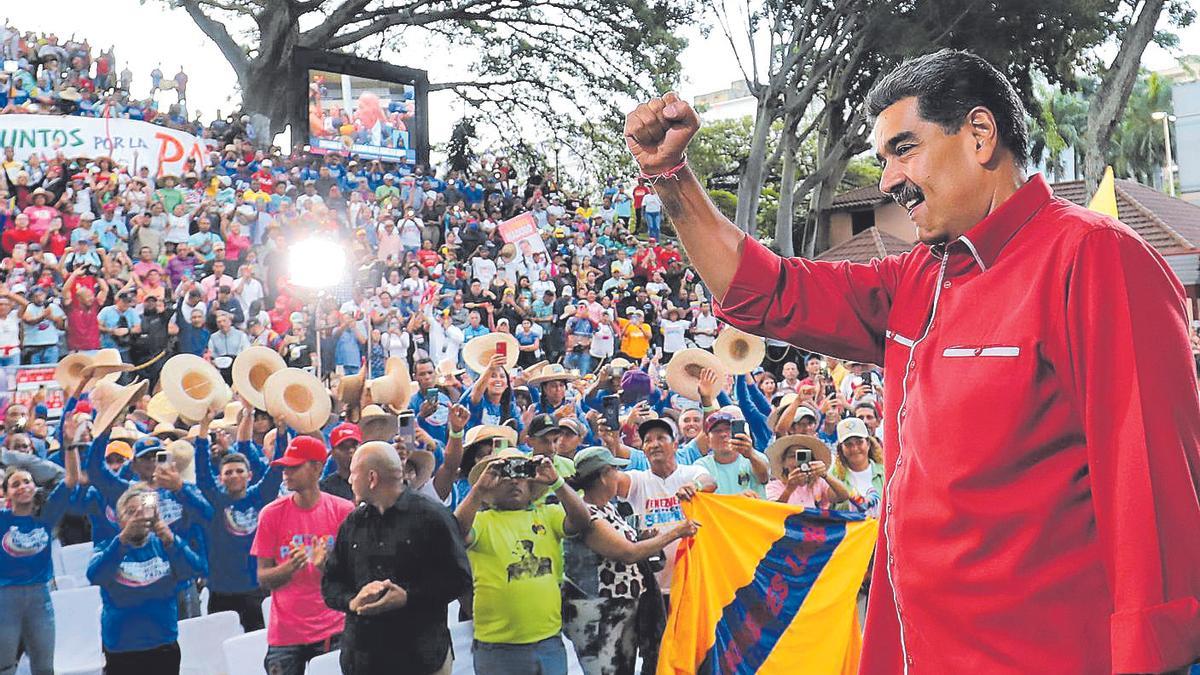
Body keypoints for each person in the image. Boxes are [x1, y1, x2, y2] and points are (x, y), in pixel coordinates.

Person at [624, 50, 1200, 672]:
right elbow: (766, 292)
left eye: (905, 149)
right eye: (883, 159)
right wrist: (672, 177)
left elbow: (1151, 490)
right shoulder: (916, 278)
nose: (890, 178)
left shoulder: (1095, 257)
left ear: (980, 136)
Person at [322, 441, 472, 675]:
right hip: (364, 659)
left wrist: (408, 597)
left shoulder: (433, 517)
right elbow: (330, 583)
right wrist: (352, 601)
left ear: (371, 478)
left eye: (353, 473)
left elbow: (459, 579)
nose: (350, 481)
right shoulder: (352, 523)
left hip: (420, 659)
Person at [454, 451, 593, 675]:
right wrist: (479, 489)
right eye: (505, 475)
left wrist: (557, 482)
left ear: (531, 484)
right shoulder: (482, 521)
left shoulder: (548, 514)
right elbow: (457, 530)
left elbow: (582, 520)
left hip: (548, 641)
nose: (514, 480)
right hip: (497, 646)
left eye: (521, 474)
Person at [562, 446, 696, 675]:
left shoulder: (609, 509)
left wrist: (644, 537)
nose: (619, 476)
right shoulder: (589, 515)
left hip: (622, 611)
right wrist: (674, 533)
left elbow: (627, 544)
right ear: (604, 477)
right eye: (615, 471)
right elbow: (628, 553)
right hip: (599, 616)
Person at [251, 435, 354, 675]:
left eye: (295, 466)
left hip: (334, 629)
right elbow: (263, 578)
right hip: (286, 635)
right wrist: (290, 567)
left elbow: (354, 574)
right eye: (285, 466)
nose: (287, 472)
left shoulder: (343, 511)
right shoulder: (271, 514)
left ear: (317, 468)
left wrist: (325, 565)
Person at [87, 483, 208, 674]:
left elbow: (194, 570)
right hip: (122, 649)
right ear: (119, 520)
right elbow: (94, 576)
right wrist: (124, 539)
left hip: (162, 645)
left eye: (143, 511)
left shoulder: (165, 544)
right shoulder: (108, 546)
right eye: (130, 512)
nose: (138, 517)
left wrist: (169, 538)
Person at [192, 409, 285, 632]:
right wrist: (203, 430)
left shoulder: (260, 497)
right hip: (222, 591)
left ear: (249, 475)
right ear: (221, 477)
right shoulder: (216, 500)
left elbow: (277, 468)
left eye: (239, 471)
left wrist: (281, 432)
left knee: (257, 649)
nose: (234, 475)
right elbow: (202, 473)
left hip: (257, 589)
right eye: (228, 472)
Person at [0, 443, 78, 675]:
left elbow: (71, 480)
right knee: (5, 667)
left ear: (35, 486)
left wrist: (71, 445)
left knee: (44, 667)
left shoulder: (46, 516)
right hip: (5, 600)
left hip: (39, 600)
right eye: (16, 484)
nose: (23, 487)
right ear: (5, 493)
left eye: (27, 482)